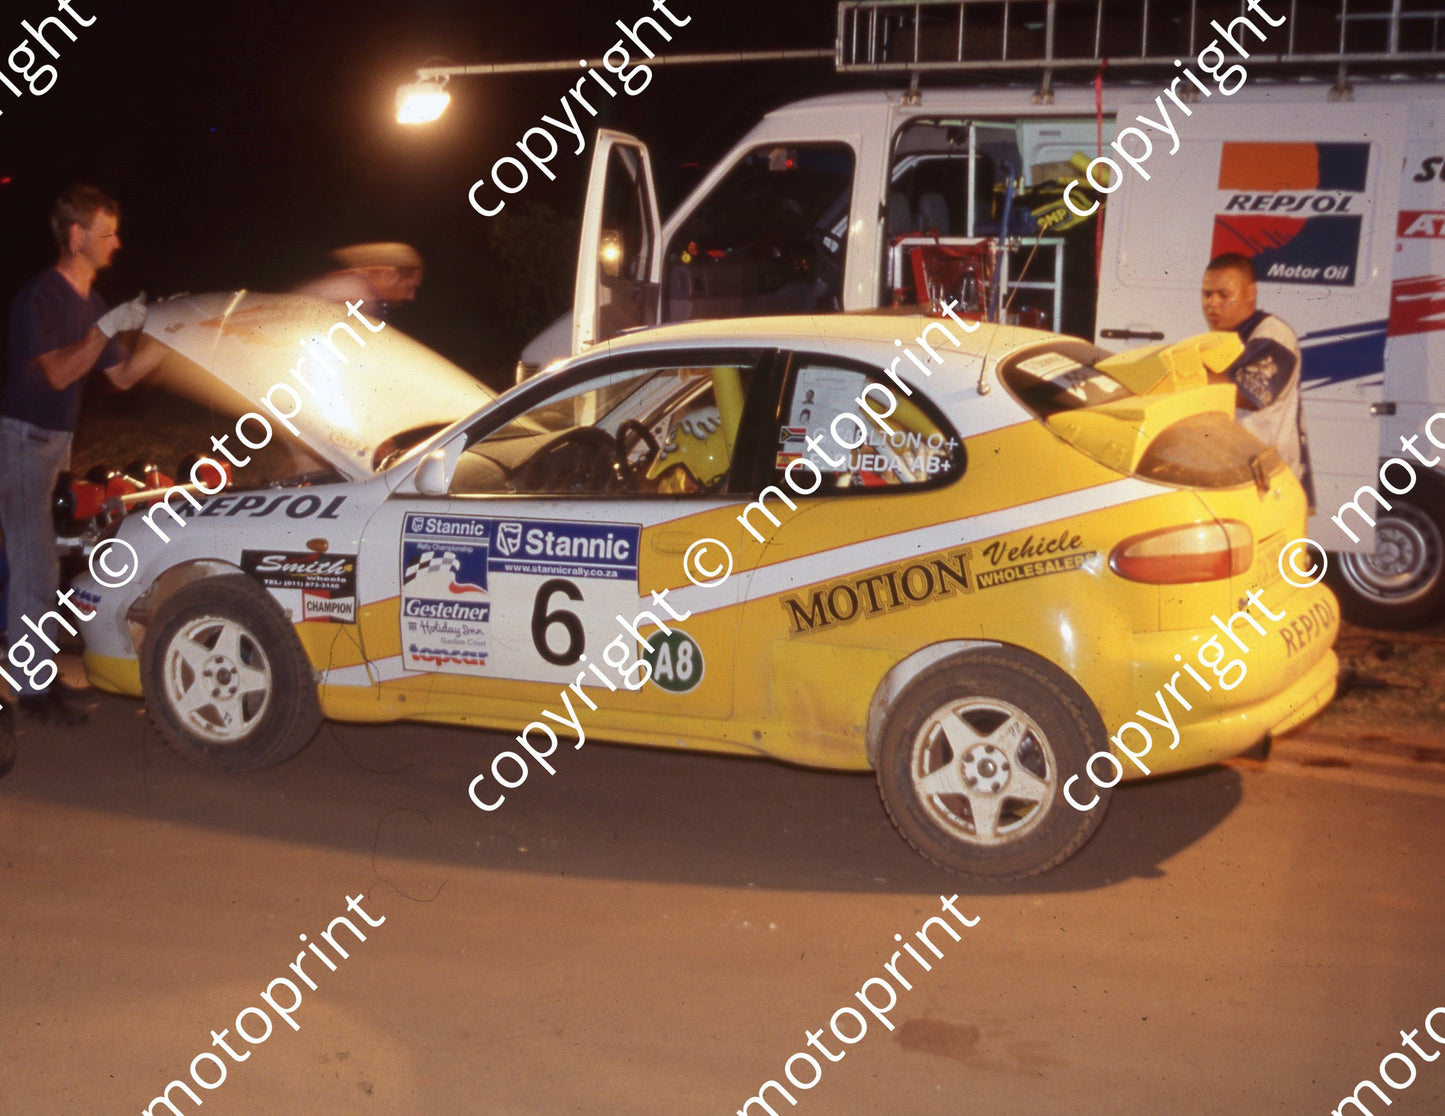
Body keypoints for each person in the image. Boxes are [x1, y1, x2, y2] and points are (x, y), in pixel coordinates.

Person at [1, 184, 160, 727]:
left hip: (50, 446)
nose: (117, 242)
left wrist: (173, 333)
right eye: (106, 232)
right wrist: (105, 329)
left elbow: (124, 375)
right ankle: (34, 688)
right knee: (36, 566)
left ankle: (37, 675)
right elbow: (58, 373)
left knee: (38, 562)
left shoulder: (92, 304)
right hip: (21, 441)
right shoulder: (41, 297)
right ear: (76, 236)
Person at [1201, 252, 1313, 498]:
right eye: (1207, 294)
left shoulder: (1273, 335)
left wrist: (1176, 375)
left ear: (1250, 293)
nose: (1212, 303)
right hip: (1241, 479)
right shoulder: (1220, 339)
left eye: (1224, 295)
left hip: (1271, 486)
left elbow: (1246, 392)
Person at [293, 242, 424, 322]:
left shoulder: (345, 289)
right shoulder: (357, 301)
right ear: (389, 275)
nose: (411, 297)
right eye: (409, 287)